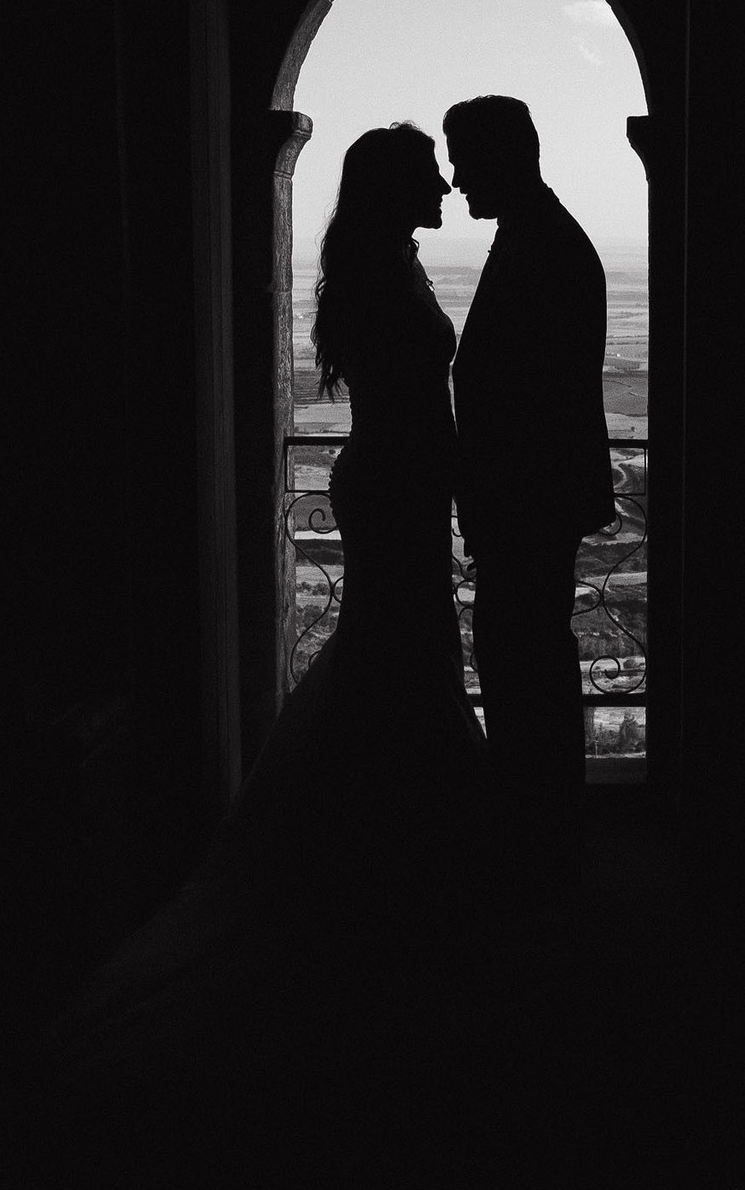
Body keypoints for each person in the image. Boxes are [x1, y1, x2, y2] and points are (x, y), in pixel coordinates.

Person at [43, 122, 499, 1105]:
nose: (443, 185)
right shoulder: (386, 276)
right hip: (397, 488)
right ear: (392, 189)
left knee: (395, 653)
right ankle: (398, 853)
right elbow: (414, 405)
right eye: (427, 174)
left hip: (397, 487)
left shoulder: (384, 266)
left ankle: (376, 840)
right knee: (400, 651)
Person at [443, 96, 616, 922]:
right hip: (528, 505)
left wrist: (493, 498)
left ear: (504, 155)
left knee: (528, 674)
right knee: (526, 669)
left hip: (527, 506)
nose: (454, 175)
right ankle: (540, 844)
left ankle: (539, 853)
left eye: (463, 156)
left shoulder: (542, 244)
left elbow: (528, 401)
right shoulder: (540, 235)